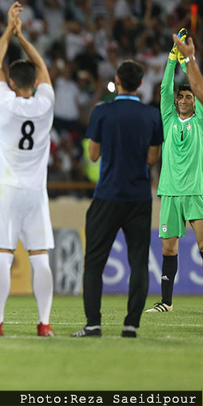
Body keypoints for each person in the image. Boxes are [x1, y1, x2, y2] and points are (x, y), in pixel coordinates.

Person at [0, 3, 56, 338]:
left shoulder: (5, 102)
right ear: (36, 83)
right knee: (40, 258)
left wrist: (9, 30)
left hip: (7, 188)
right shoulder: (46, 102)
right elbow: (42, 67)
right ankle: (44, 324)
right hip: (36, 191)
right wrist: (24, 38)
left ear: (11, 82)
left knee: (2, 257)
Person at [71, 60, 163, 338]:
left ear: (117, 81)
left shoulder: (102, 112)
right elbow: (152, 158)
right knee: (138, 262)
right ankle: (131, 324)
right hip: (139, 197)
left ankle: (93, 324)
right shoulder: (152, 116)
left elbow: (93, 155)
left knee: (94, 262)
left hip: (108, 195)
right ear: (141, 84)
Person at [154, 30, 203, 312]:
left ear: (194, 100)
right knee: (168, 249)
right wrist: (172, 59)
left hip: (196, 191)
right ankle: (166, 302)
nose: (184, 99)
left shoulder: (200, 122)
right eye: (180, 96)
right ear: (175, 101)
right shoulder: (168, 117)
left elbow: (199, 88)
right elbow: (163, 88)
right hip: (170, 193)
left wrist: (187, 60)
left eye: (188, 96)